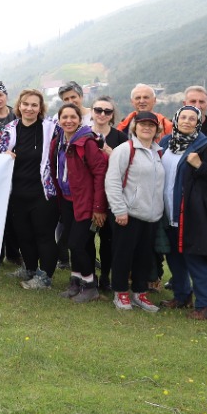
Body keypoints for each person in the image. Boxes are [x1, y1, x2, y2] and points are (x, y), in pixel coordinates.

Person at [157, 104, 207, 318]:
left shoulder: (205, 147)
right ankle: (182, 296)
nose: (187, 122)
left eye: (192, 118)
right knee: (174, 257)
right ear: (176, 120)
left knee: (196, 258)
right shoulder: (165, 143)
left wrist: (200, 166)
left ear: (198, 123)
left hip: (192, 214)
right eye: (183, 117)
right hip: (168, 211)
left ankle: (206, 305)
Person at [103, 111, 167, 311]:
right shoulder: (125, 150)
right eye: (142, 124)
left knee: (144, 256)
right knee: (123, 255)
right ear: (135, 127)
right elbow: (112, 181)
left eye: (151, 125)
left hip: (151, 215)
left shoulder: (158, 152)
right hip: (128, 214)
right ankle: (120, 292)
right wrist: (119, 210)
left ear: (157, 129)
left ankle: (140, 293)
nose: (147, 128)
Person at [49, 102, 108, 302]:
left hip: (85, 201)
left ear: (80, 119)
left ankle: (90, 286)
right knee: (69, 242)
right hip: (67, 200)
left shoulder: (87, 142)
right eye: (64, 117)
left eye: (73, 117)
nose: (68, 121)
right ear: (59, 120)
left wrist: (98, 207)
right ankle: (75, 282)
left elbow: (100, 173)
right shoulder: (58, 141)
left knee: (77, 244)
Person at [3, 89, 59, 285]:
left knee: (44, 235)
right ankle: (30, 269)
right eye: (25, 104)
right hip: (17, 193)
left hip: (43, 193)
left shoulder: (51, 128)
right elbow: (0, 155)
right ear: (19, 106)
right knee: (23, 235)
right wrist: (3, 155)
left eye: (34, 105)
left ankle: (45, 277)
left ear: (40, 108)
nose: (29, 108)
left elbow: (71, 136)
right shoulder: (9, 129)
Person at [88, 96, 128, 281]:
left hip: (112, 195)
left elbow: (129, 167)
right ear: (92, 112)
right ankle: (88, 276)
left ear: (112, 115)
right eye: (98, 110)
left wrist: (112, 154)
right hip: (88, 194)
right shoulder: (84, 134)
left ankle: (105, 276)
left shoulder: (120, 137)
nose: (102, 114)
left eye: (107, 111)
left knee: (108, 239)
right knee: (86, 239)